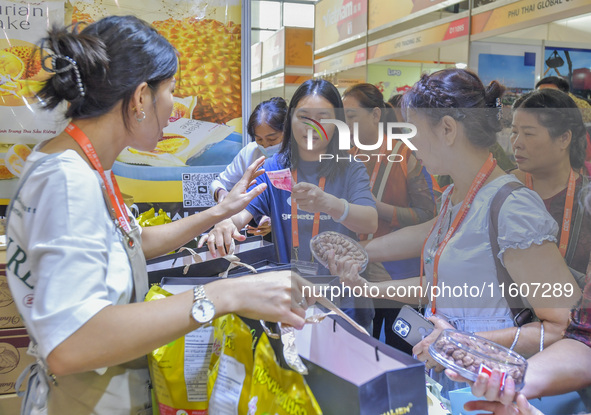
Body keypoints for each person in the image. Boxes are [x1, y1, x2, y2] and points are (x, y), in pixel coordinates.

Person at [6, 16, 309, 414]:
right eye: (171, 91)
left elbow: (130, 244)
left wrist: (217, 212)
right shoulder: (68, 180)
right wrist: (227, 294)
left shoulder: (83, 165)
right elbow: (71, 342)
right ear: (140, 98)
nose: (173, 108)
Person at [329, 68, 580, 396]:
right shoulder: (458, 196)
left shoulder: (513, 208)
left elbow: (562, 327)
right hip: (455, 377)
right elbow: (440, 286)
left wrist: (461, 342)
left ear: (447, 129)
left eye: (413, 128)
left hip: (492, 388)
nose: (409, 141)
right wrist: (366, 281)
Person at [199, 79, 378, 329]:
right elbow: (243, 212)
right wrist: (226, 223)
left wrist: (329, 203)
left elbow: (370, 219)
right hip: (289, 301)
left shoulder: (350, 168)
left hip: (342, 303)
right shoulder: (274, 167)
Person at [342, 83, 437, 352]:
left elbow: (427, 216)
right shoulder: (345, 156)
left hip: (398, 275)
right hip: (355, 270)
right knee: (358, 348)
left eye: (351, 116)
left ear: (374, 115)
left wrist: (378, 209)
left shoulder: (405, 154)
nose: (345, 124)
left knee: (400, 349)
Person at [509, 88, 591, 275]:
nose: (516, 143)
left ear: (564, 138)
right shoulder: (501, 189)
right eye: (514, 132)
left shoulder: (587, 198)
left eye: (528, 134)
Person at [210, 97, 287, 237]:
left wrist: (275, 221)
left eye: (272, 139)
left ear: (287, 131)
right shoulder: (250, 153)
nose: (266, 146)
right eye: (259, 140)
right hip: (254, 232)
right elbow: (218, 183)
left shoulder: (296, 159)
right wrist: (222, 195)